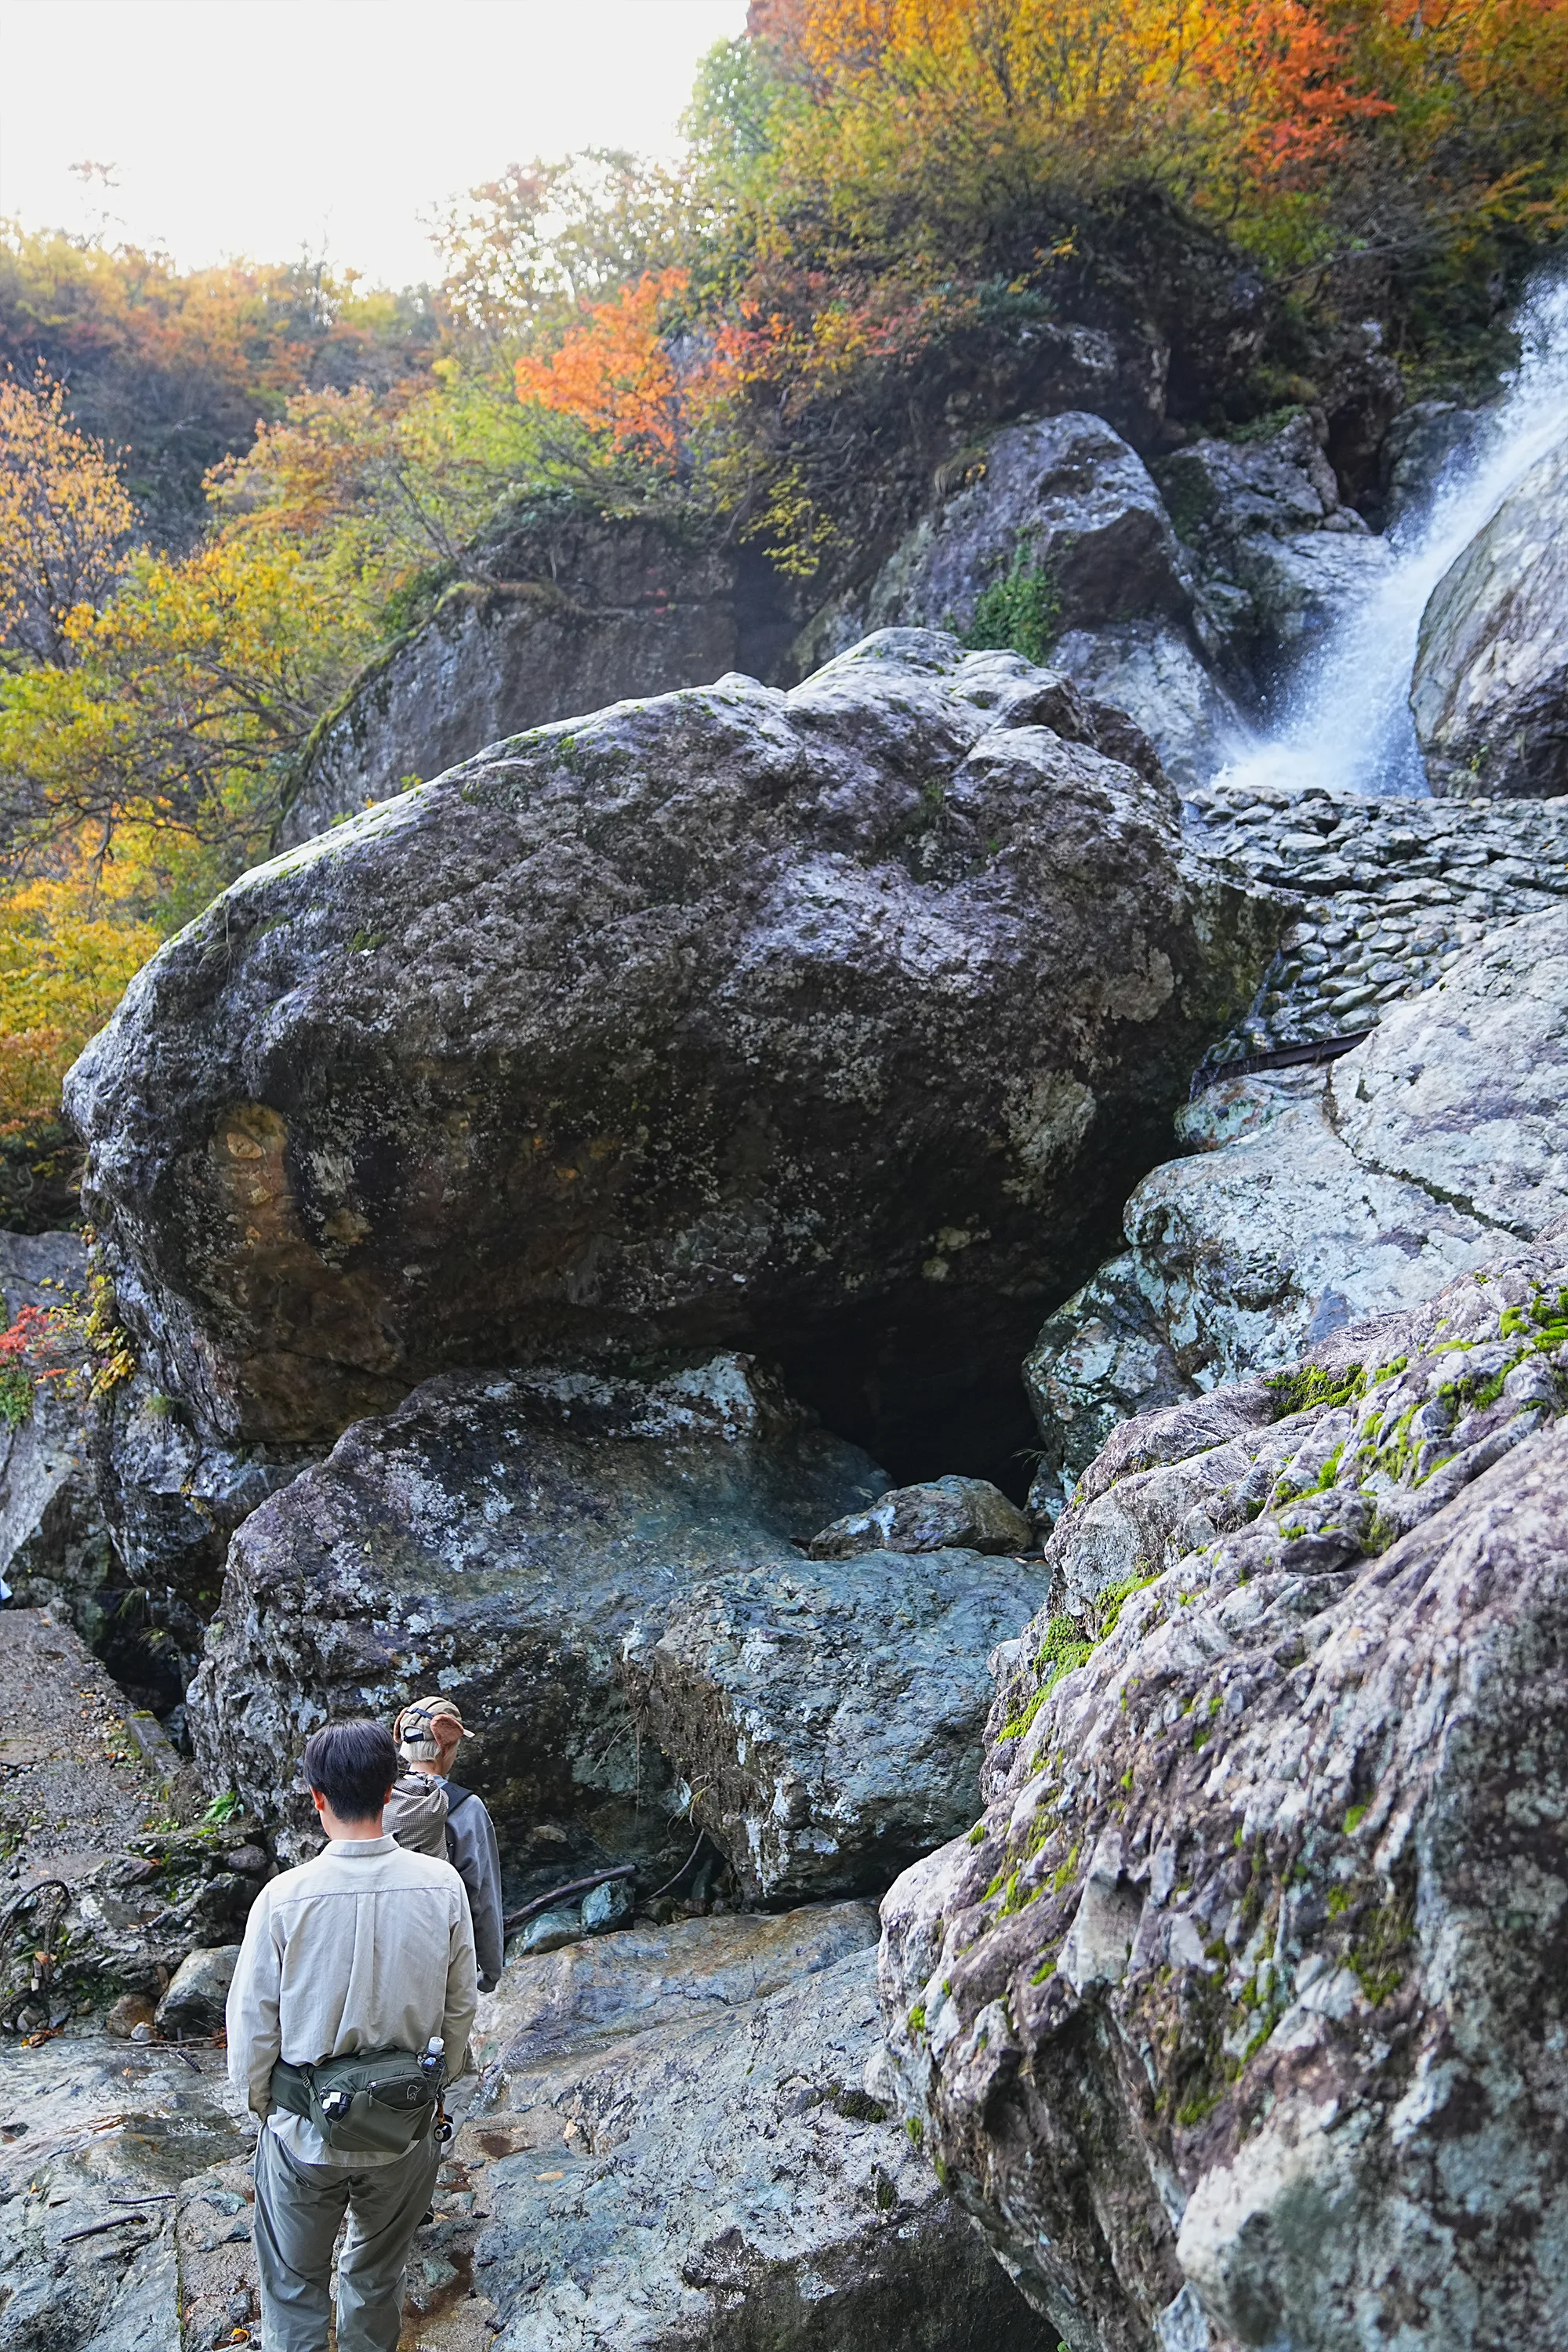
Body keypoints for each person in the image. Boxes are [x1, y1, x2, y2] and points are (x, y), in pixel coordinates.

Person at [227, 1719, 477, 2352]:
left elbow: (253, 2027)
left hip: (303, 2135)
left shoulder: (283, 1899)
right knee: (375, 2276)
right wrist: (433, 2090)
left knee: (293, 2289)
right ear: (390, 1792)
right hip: (403, 2131)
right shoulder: (441, 1886)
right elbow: (460, 2007)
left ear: (317, 1798)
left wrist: (267, 2108)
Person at [383, 1694, 505, 1992]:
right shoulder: (466, 1806)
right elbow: (483, 1894)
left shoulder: (379, 1798)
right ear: (446, 1745)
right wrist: (491, 1970)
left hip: (382, 1951)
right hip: (439, 1953)